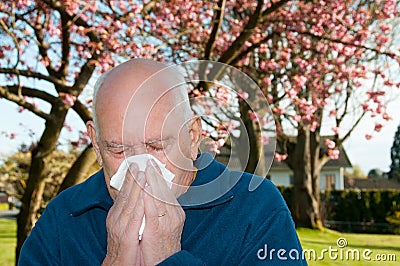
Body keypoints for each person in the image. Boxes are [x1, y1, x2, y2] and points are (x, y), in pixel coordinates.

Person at [19, 59, 307, 265]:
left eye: (156, 146)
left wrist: (169, 258)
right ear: (95, 142)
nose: (138, 168)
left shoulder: (254, 207)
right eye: (117, 149)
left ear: (193, 136)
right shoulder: (64, 216)